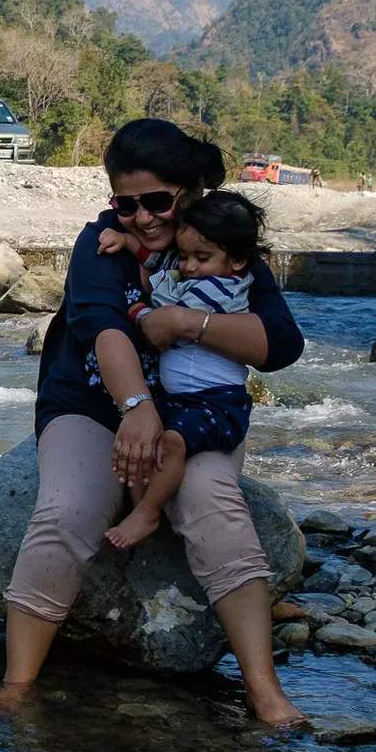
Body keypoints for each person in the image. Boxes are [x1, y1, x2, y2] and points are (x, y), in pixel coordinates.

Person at [0, 118, 307, 726]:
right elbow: (104, 328)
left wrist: (190, 324)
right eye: (126, 203)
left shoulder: (221, 244)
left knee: (212, 501)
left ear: (189, 194)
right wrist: (137, 408)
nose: (143, 218)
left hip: (196, 415)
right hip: (89, 404)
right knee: (68, 511)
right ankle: (17, 685)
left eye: (157, 201)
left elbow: (282, 343)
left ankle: (265, 694)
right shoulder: (100, 243)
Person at [94, 190, 266, 551]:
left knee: (171, 442)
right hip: (185, 400)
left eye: (199, 258)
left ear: (237, 260)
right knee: (142, 448)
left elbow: (160, 318)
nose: (187, 266)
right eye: (185, 256)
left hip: (218, 404)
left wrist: (132, 309)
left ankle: (149, 512)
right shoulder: (203, 272)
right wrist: (127, 241)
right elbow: (162, 264)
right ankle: (144, 508)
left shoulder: (221, 289)